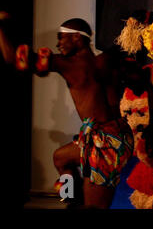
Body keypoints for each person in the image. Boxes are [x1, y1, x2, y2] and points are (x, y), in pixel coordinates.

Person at [0, 17, 133, 208]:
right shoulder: (106, 60)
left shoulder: (70, 65)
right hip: (112, 135)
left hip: (105, 145)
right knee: (61, 158)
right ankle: (71, 198)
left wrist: (1, 28)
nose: (58, 43)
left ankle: (74, 200)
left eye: (62, 37)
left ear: (77, 38)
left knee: (93, 208)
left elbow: (14, 59)